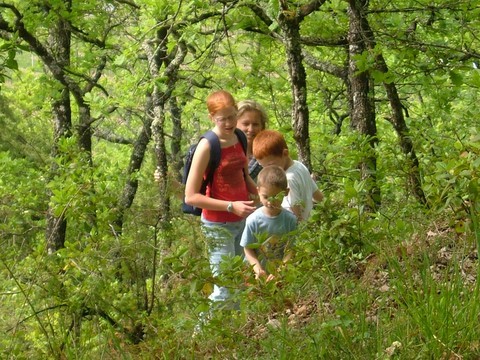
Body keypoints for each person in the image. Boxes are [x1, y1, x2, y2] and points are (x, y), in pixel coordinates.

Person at [184, 90, 258, 306]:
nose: (228, 122)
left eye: (232, 116)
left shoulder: (240, 137)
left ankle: (234, 335)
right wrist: (230, 206)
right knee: (224, 288)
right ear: (211, 118)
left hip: (242, 220)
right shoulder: (207, 146)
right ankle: (200, 336)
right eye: (222, 118)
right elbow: (191, 196)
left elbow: (244, 176)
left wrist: (262, 194)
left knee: (241, 282)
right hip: (217, 225)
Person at [241, 165, 297, 281]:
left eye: (276, 197)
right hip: (255, 274)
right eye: (266, 197)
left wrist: (280, 270)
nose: (270, 202)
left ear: (286, 192)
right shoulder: (253, 220)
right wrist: (257, 269)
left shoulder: (290, 220)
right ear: (258, 191)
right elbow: (247, 248)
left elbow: (291, 249)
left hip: (280, 274)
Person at [253, 129, 324, 222]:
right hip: (307, 223)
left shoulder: (287, 179)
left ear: (285, 153)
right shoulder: (299, 165)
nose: (267, 170)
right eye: (262, 166)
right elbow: (317, 195)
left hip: (289, 228)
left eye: (270, 165)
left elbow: (295, 213)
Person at [236, 100, 268, 182]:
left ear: (262, 127)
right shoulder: (224, 153)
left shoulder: (268, 156)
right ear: (234, 124)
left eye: (255, 124)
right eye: (246, 124)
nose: (251, 129)